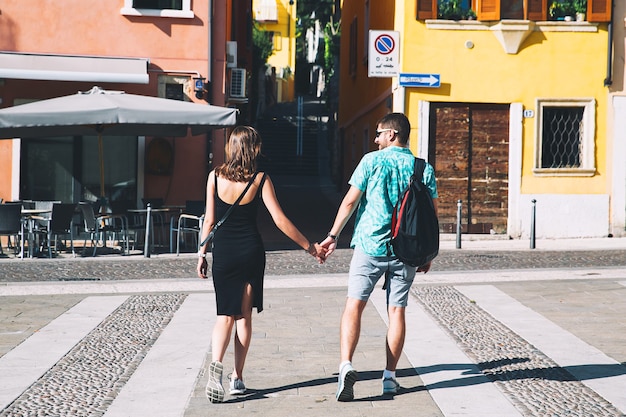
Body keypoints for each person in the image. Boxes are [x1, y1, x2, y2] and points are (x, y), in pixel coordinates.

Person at [197, 126, 327, 403]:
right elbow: (279, 220)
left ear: (231, 147)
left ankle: (216, 365)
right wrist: (310, 248)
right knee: (243, 317)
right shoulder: (260, 179)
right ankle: (237, 377)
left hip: (224, 253)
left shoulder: (214, 177)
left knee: (224, 314)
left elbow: (208, 221)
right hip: (250, 252)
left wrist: (201, 254)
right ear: (253, 149)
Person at [320, 113, 438, 401]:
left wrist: (333, 235)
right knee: (396, 311)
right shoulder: (423, 168)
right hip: (407, 250)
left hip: (369, 245)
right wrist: (429, 252)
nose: (375, 139)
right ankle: (389, 377)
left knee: (354, 306)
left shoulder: (371, 161)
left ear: (392, 134)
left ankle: (346, 364)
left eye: (378, 133)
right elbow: (432, 215)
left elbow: (350, 201)